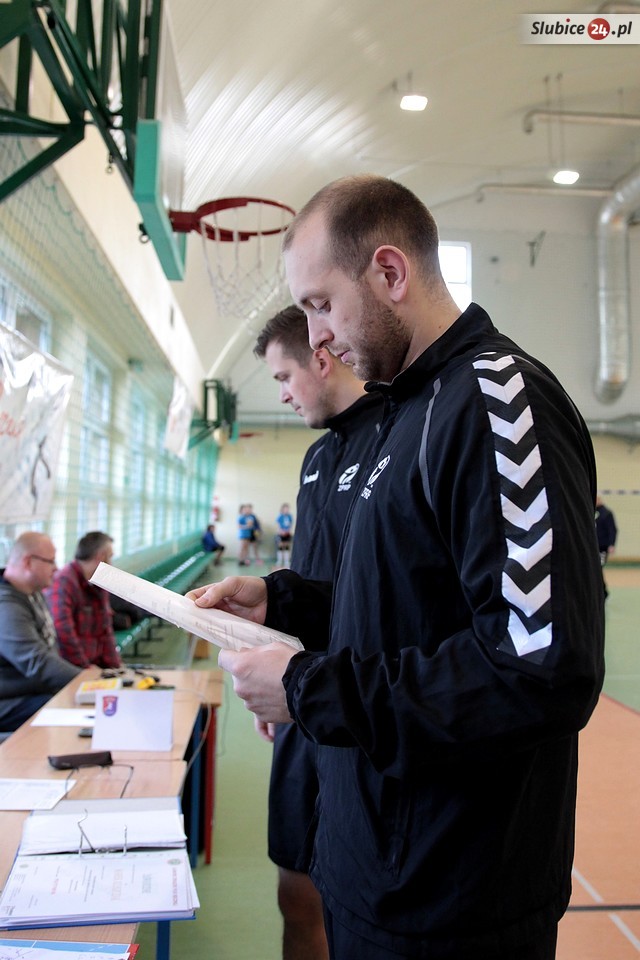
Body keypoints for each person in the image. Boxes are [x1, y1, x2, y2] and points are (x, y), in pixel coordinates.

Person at [189, 175, 605, 960]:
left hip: (454, 894)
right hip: (368, 861)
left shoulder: (496, 398)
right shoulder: (401, 414)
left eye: (320, 304)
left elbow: (541, 668)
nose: (317, 337)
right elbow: (400, 603)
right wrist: (281, 602)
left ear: (388, 272)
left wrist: (307, 688)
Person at [253, 304, 383, 960]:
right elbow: (306, 582)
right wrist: (273, 670)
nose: (281, 393)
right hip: (299, 699)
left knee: (353, 906)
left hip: (361, 704)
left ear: (322, 358)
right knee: (294, 890)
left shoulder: (393, 439)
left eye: (284, 376)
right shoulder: (315, 458)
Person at [0, 532, 80, 731]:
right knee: (69, 713)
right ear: (28, 562)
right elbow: (37, 662)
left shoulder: (31, 592)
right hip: (10, 701)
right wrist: (86, 681)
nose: (56, 568)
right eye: (50, 561)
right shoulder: (6, 606)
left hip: (33, 692)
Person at [45, 530, 122, 669]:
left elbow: (105, 630)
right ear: (100, 557)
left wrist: (116, 667)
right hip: (72, 668)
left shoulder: (98, 583)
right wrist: (85, 668)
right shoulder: (64, 583)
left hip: (93, 665)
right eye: (110, 557)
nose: (111, 564)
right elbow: (64, 632)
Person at [595, 494, 617, 598]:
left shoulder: (607, 513)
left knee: (598, 569)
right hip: (594, 546)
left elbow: (612, 530)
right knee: (594, 569)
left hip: (602, 547)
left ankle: (603, 592)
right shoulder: (593, 512)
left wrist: (611, 544)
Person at [275, 504, 294, 568]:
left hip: (287, 533)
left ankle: (286, 561)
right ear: (282, 509)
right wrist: (281, 531)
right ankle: (279, 561)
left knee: (287, 546)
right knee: (280, 546)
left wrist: (288, 531)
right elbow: (278, 525)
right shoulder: (280, 516)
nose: (286, 510)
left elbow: (290, 524)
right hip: (281, 533)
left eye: (287, 509)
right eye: (285, 509)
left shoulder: (290, 516)